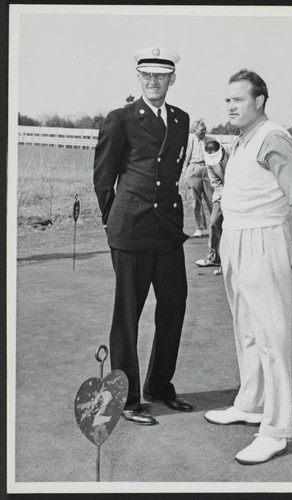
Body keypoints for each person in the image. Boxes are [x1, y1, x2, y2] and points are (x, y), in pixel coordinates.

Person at [204, 69, 292, 464]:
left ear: (259, 101)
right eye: (227, 99)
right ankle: (251, 403)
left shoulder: (273, 136)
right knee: (246, 327)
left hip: (264, 239)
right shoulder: (241, 139)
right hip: (236, 238)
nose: (230, 106)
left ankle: (276, 430)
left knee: (272, 334)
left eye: (238, 99)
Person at [93, 46, 193, 426]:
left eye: (161, 75)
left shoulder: (181, 119)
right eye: (147, 75)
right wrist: (112, 222)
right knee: (128, 316)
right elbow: (104, 178)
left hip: (166, 228)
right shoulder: (121, 119)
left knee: (174, 306)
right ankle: (127, 398)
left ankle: (159, 385)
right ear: (139, 78)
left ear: (171, 78)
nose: (154, 81)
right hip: (131, 228)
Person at [195, 140, 229, 272]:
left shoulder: (232, 153)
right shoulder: (209, 161)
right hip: (222, 194)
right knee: (215, 221)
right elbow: (215, 182)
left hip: (240, 192)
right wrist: (225, 195)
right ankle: (214, 258)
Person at [182, 119, 214, 237]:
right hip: (194, 169)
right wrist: (186, 175)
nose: (204, 132)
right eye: (201, 130)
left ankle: (216, 225)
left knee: (212, 199)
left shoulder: (210, 140)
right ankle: (200, 227)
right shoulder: (190, 141)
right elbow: (186, 159)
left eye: (205, 129)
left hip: (206, 169)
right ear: (194, 130)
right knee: (196, 201)